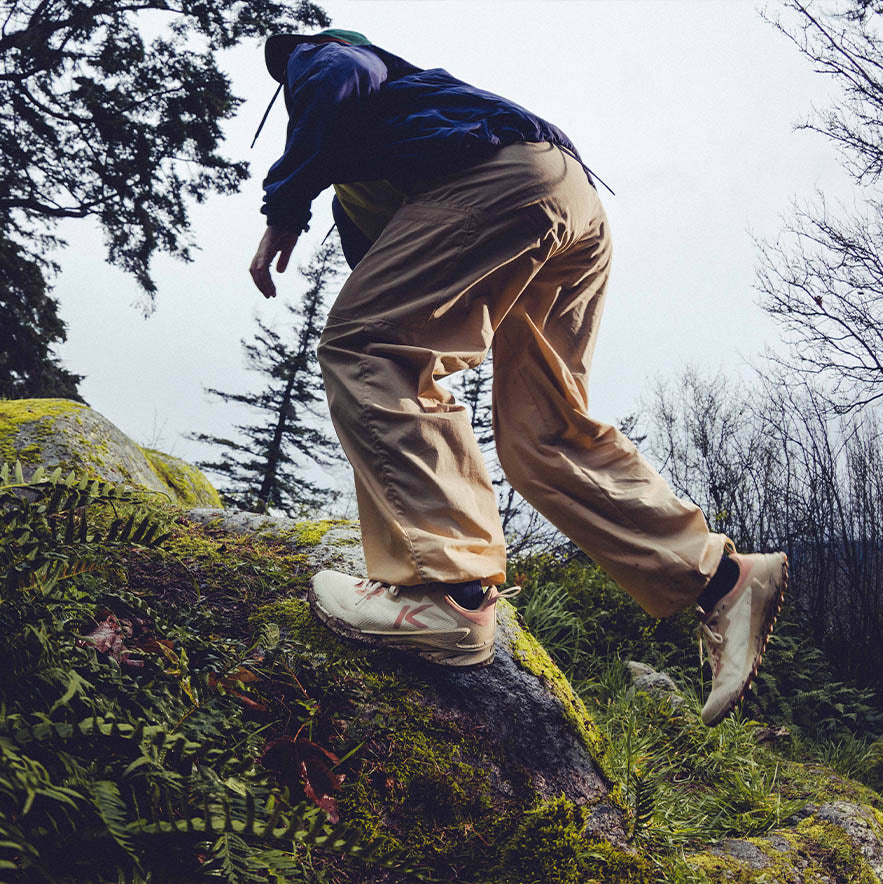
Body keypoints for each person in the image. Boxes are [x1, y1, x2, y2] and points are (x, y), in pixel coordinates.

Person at [248, 29, 788, 727]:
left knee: (367, 345)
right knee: (543, 433)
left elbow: (339, 74)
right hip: (569, 202)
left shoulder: (328, 59)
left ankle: (444, 594)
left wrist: (284, 204)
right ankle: (719, 578)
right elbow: (404, 288)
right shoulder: (374, 177)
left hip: (502, 179)